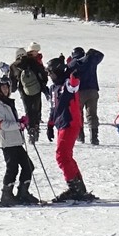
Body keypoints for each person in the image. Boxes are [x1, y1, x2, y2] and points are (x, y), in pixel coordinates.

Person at [46, 57, 95, 202]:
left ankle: (75, 188)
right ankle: (79, 187)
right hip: (61, 124)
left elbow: (73, 85)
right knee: (66, 156)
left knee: (61, 156)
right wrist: (50, 124)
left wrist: (74, 76)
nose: (49, 75)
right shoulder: (53, 88)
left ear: (57, 71)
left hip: (70, 122)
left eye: (50, 72)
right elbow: (53, 108)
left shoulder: (66, 84)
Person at [0, 77, 40, 206]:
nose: (6, 90)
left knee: (28, 166)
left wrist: (20, 122)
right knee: (12, 168)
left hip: (15, 140)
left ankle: (23, 192)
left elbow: (10, 121)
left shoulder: (7, 103)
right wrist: (19, 125)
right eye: (3, 88)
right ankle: (6, 195)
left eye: (7, 87)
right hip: (7, 141)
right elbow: (1, 124)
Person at [67, 46, 104, 146]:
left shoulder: (73, 63)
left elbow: (67, 73)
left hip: (79, 92)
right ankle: (94, 137)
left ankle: (80, 136)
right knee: (92, 114)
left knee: (78, 114)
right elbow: (101, 55)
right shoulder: (91, 60)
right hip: (92, 90)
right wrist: (92, 52)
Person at [11, 44, 48, 142]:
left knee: (28, 109)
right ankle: (36, 127)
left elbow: (12, 84)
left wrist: (13, 89)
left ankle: (30, 129)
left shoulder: (14, 65)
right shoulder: (33, 62)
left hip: (23, 90)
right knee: (36, 108)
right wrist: (43, 84)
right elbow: (43, 73)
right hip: (36, 89)